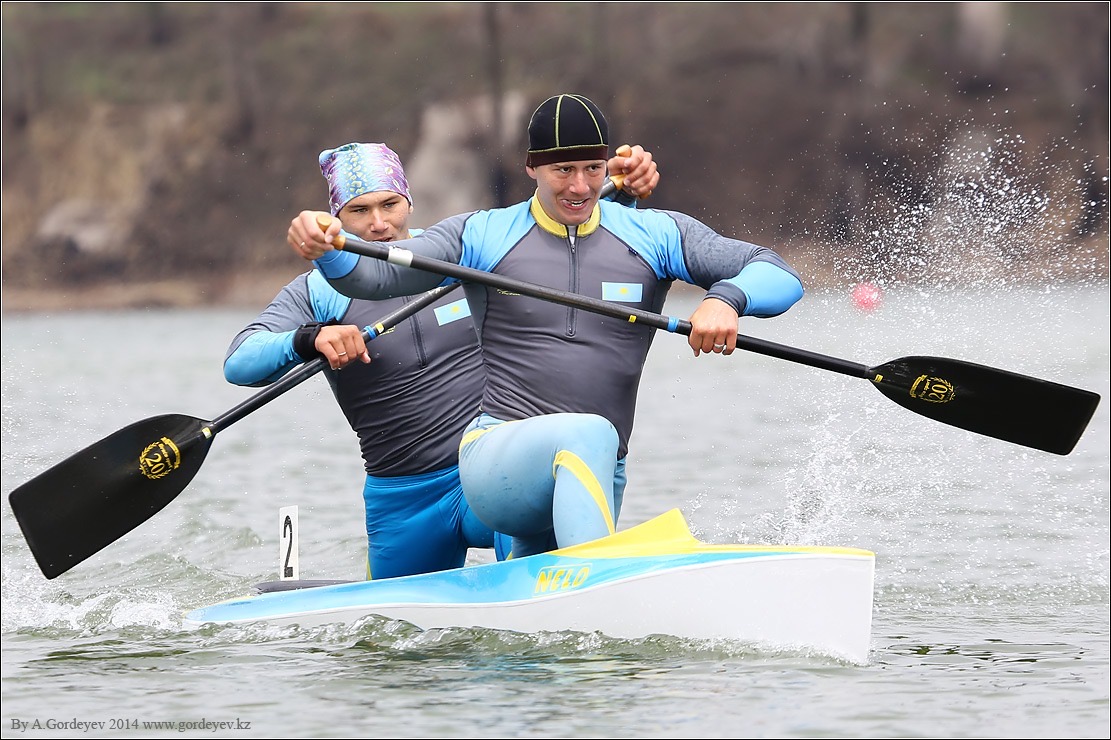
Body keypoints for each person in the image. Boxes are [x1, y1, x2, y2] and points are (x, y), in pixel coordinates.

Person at [289, 93, 802, 559]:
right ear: (532, 167)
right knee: (587, 432)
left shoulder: (657, 233)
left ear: (609, 168)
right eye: (562, 170)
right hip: (497, 460)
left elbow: (777, 273)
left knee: (542, 634)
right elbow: (372, 275)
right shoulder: (483, 234)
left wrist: (727, 299)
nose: (579, 187)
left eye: (592, 169)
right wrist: (326, 250)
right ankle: (597, 588)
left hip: (599, 468)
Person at [228, 139, 660, 578]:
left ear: (409, 202)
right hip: (402, 494)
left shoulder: (462, 252)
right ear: (337, 217)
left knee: (534, 545)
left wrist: (623, 192)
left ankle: (569, 591)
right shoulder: (318, 292)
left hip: (491, 470)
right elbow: (241, 362)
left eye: (390, 204)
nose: (379, 224)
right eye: (359, 211)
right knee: (397, 635)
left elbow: (565, 235)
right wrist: (309, 339)